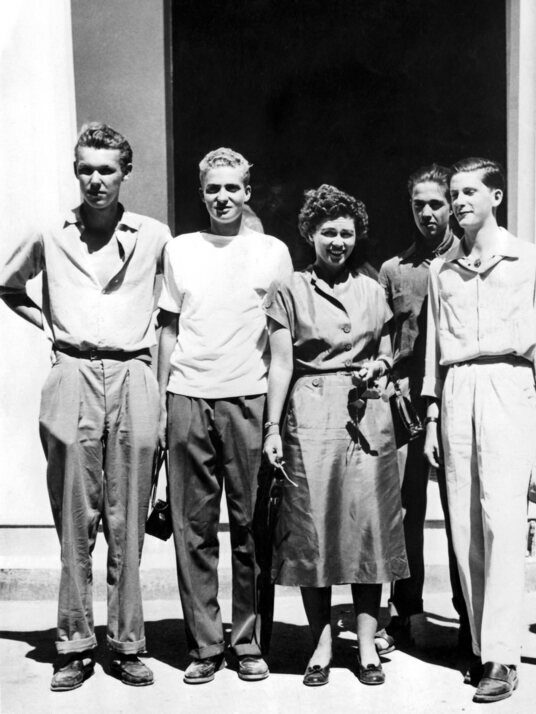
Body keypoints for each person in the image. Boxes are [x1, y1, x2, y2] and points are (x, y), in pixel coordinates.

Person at [0, 122, 169, 690]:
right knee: (75, 519)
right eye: (86, 169)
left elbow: (177, 305)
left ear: (126, 173)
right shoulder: (51, 232)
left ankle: (125, 644)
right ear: (77, 172)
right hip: (72, 373)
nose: (96, 180)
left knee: (128, 520)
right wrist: (49, 328)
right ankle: (72, 643)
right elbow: (8, 285)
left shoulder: (155, 235)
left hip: (134, 373)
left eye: (107, 169)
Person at [422, 157, 536, 703]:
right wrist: (434, 415)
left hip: (510, 385)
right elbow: (433, 349)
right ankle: (484, 645)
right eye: (454, 193)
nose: (460, 201)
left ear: (496, 197)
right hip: (458, 387)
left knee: (502, 521)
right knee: (464, 525)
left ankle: (504, 656)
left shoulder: (527, 259)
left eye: (470, 192)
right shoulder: (442, 270)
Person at [262, 184, 409, 687]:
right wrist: (271, 428)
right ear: (310, 234)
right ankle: (321, 643)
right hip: (309, 412)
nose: (338, 241)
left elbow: (389, 349)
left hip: (368, 415)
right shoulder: (288, 290)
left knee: (368, 527)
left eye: (346, 232)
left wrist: (382, 365)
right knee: (315, 530)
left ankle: (367, 645)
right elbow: (281, 364)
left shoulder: (373, 289)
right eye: (328, 232)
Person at [157, 147, 291, 684]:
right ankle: (205, 645)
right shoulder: (180, 249)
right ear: (202, 192)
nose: (223, 197)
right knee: (192, 527)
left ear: (247, 192)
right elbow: (168, 328)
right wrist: (167, 400)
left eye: (232, 187)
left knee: (251, 526)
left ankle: (249, 641)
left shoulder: (272, 252)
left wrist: (275, 420)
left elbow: (281, 339)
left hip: (249, 398)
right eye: (213, 188)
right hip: (188, 393)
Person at [375, 164, 470, 656]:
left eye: (436, 203)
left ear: (452, 203)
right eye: (419, 204)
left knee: (461, 512)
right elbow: (394, 341)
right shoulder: (397, 269)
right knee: (406, 511)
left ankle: (469, 618)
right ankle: (406, 612)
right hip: (409, 405)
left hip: (460, 395)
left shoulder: (472, 259)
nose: (428, 212)